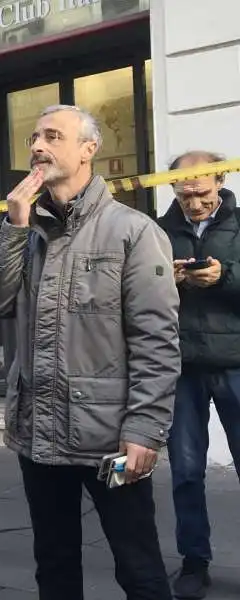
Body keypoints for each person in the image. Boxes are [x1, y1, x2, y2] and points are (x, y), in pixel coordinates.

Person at [0, 105, 180, 600]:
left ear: (89, 149)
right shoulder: (26, 232)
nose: (38, 147)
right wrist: (14, 226)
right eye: (33, 138)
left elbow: (157, 340)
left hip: (108, 439)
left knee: (139, 567)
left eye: (52, 136)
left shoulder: (133, 232)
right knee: (56, 565)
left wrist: (145, 429)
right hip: (38, 435)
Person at [158, 150, 240, 599]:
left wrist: (225, 277)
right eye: (184, 193)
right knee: (186, 471)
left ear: (221, 180)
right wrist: (161, 282)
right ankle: (194, 561)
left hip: (235, 362)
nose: (194, 203)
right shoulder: (156, 230)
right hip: (182, 366)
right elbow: (132, 294)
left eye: (202, 192)